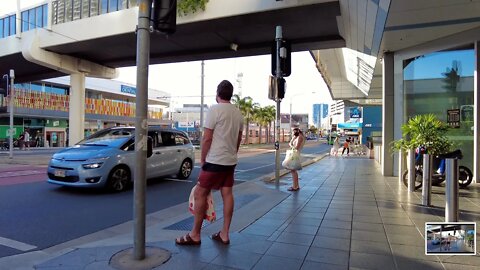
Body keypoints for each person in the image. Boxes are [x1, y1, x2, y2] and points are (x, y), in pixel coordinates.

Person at [175, 80, 243, 246]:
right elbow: (239, 138)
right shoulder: (238, 113)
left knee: (200, 194)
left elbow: (207, 138)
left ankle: (195, 234)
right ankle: (225, 234)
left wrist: (204, 159)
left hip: (214, 161)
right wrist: (233, 153)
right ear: (230, 94)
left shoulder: (214, 110)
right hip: (230, 161)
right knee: (227, 194)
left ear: (217, 94)